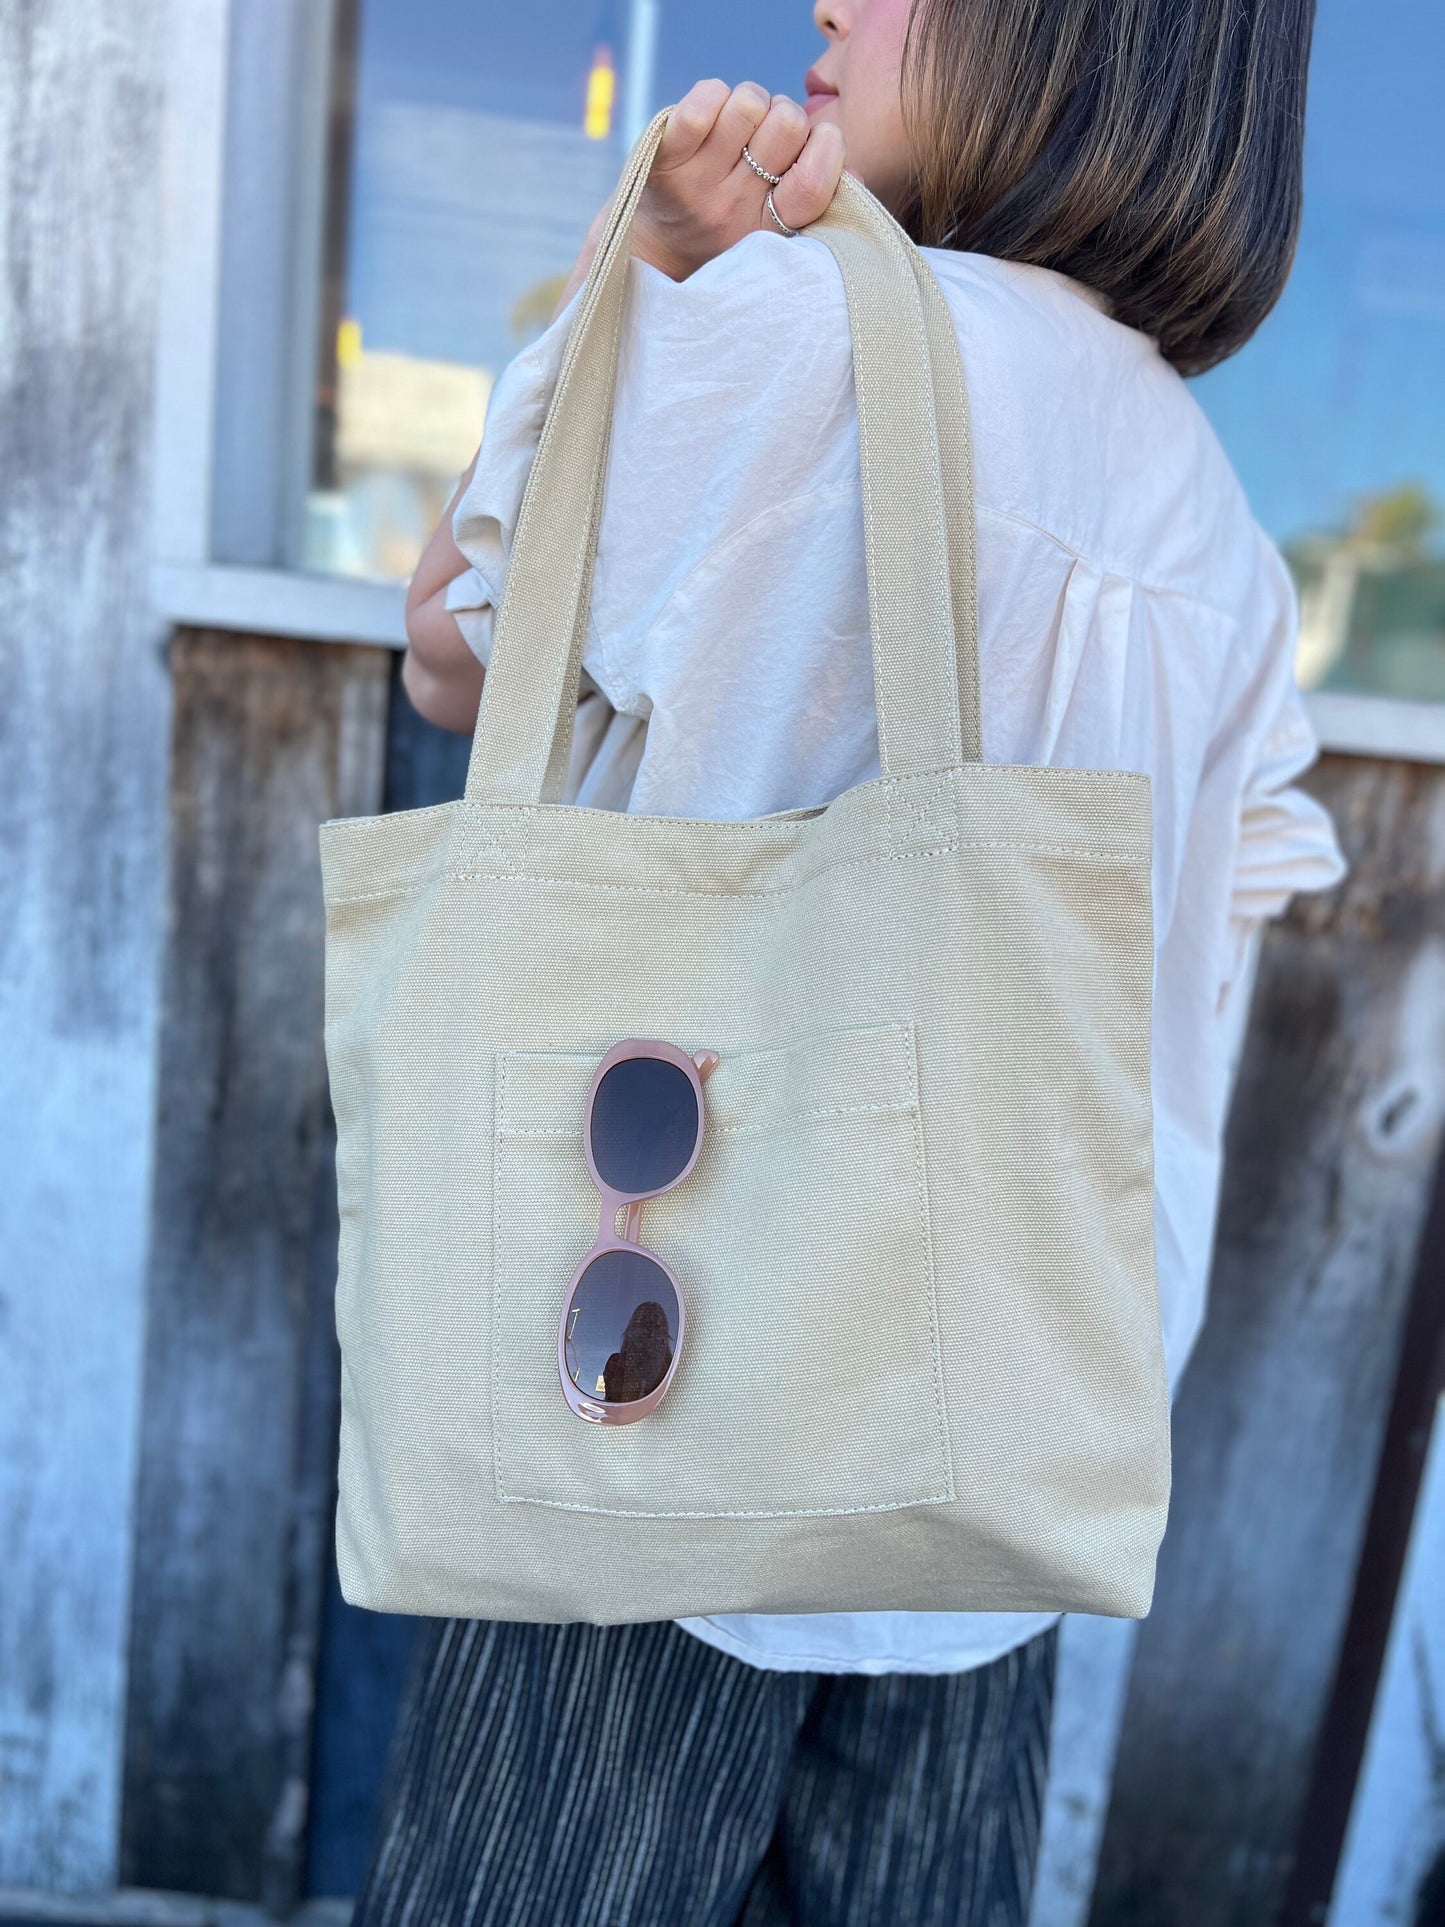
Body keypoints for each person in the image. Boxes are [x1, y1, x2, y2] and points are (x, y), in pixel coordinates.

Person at [358, 1, 1345, 1921]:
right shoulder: (1222, 537)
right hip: (998, 1491)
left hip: (655, 1444)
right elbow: (1226, 904)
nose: (830, 5)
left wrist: (651, 287)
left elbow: (453, 657)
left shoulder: (781, 330)